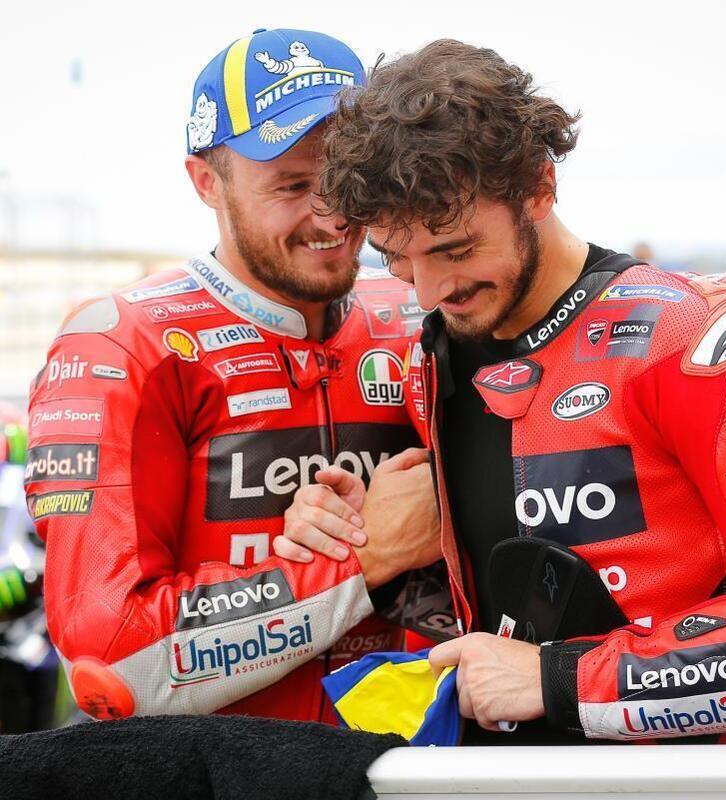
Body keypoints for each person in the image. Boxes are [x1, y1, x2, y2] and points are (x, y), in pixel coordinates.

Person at [282, 39, 726, 743]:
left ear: (538, 187)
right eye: (397, 258)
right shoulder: (431, 358)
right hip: (504, 777)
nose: (430, 291)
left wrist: (559, 680)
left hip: (690, 782)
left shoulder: (705, 340)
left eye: (456, 249)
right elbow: (499, 607)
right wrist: (366, 540)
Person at [24, 27, 440, 723]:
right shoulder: (123, 344)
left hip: (407, 765)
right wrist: (360, 563)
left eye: (349, 179)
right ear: (206, 182)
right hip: (211, 770)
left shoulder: (421, 313)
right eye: (293, 185)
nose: (332, 215)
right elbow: (113, 664)